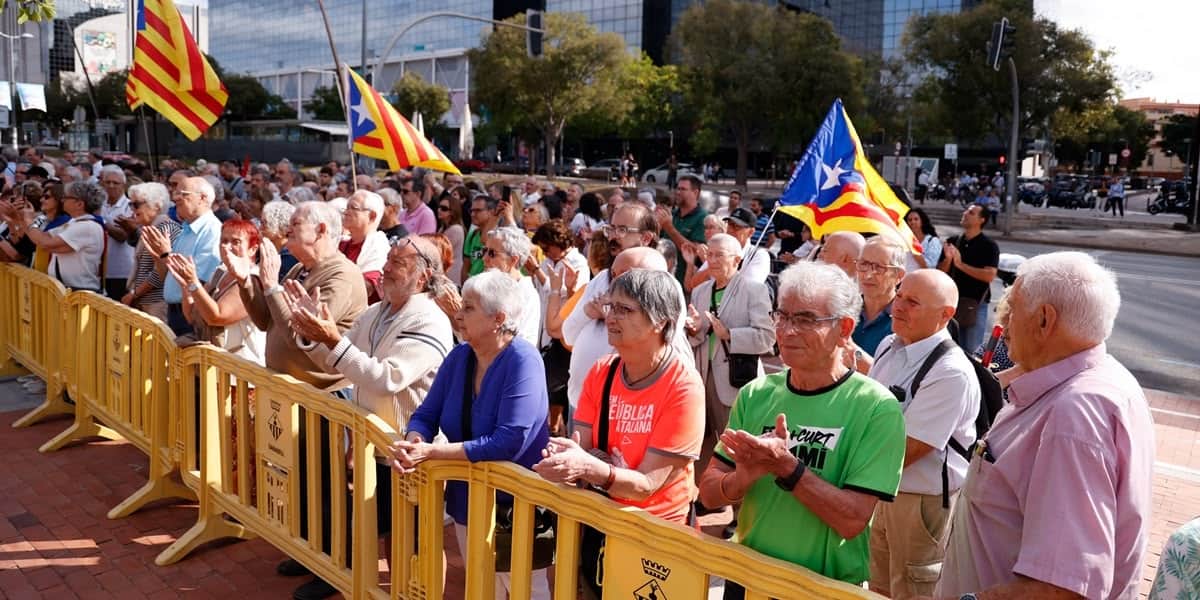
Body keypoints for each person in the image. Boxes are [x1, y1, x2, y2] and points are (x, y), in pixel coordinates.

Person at [936, 251, 1153, 600]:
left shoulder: (1074, 414)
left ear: (1044, 321)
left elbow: (1060, 587)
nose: (1003, 320)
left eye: (1012, 307)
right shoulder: (1098, 380)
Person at [696, 261, 905, 594]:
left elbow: (852, 520)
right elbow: (707, 493)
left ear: (845, 329)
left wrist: (787, 469)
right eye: (783, 316)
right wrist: (742, 478)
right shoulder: (756, 393)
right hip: (746, 578)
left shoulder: (876, 408)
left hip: (820, 588)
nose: (787, 330)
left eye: (806, 319)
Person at [535, 269, 704, 597]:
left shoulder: (683, 386)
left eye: (625, 310)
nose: (610, 317)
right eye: (610, 306)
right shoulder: (602, 371)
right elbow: (580, 446)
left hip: (658, 540)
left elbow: (646, 485)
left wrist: (589, 466)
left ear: (661, 321)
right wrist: (581, 462)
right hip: (601, 524)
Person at [391, 270, 552, 600]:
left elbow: (509, 440)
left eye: (468, 308)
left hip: (515, 505)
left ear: (499, 318)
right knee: (482, 584)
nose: (458, 315)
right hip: (468, 496)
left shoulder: (524, 360)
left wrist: (433, 454)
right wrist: (415, 440)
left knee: (525, 590)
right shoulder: (460, 356)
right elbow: (426, 414)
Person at [865, 269, 981, 600]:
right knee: (877, 585)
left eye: (912, 302)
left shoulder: (950, 371)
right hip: (883, 486)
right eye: (899, 296)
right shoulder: (890, 344)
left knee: (914, 590)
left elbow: (910, 449)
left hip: (920, 501)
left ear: (946, 315)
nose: (897, 306)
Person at [684, 234, 774, 485]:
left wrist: (731, 335)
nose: (711, 260)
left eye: (718, 255)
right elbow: (700, 334)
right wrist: (693, 328)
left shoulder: (753, 290)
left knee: (735, 445)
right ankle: (709, 493)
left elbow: (767, 337)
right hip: (703, 375)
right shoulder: (701, 291)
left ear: (737, 260)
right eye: (709, 254)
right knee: (703, 441)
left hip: (736, 380)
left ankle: (737, 508)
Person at [166, 219, 266, 368]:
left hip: (240, 374)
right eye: (224, 241)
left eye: (236, 242)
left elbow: (217, 317)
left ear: (252, 249)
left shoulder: (253, 279)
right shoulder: (220, 272)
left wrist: (193, 283)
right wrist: (186, 286)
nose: (227, 247)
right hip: (215, 370)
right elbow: (193, 316)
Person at [146, 176, 222, 336]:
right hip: (175, 311)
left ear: (202, 198)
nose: (175, 198)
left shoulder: (212, 231)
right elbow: (167, 276)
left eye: (183, 193)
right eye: (175, 193)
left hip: (191, 312)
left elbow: (198, 281)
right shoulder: (186, 229)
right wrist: (160, 256)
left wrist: (166, 254)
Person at [7, 181, 107, 292]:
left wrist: (29, 220)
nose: (62, 200)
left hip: (80, 291)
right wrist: (22, 218)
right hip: (68, 289)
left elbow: (45, 244)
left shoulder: (86, 226)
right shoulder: (74, 223)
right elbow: (41, 237)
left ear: (79, 204)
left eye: (66, 197)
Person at [939, 204, 999, 353]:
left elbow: (989, 276)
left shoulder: (989, 246)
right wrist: (948, 260)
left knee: (971, 350)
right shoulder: (953, 241)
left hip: (975, 304)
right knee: (947, 348)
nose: (965, 213)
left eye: (971, 213)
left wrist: (960, 264)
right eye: (966, 210)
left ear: (981, 220)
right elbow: (940, 273)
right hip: (951, 303)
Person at [122, 182, 180, 322]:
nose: (133, 209)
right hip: (145, 301)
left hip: (157, 302)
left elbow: (161, 271)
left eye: (137, 205)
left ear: (157, 206)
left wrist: (135, 294)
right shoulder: (150, 228)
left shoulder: (165, 228)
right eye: (131, 204)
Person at [481, 227, 542, 349]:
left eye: (492, 253)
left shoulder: (527, 294)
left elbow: (522, 344)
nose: (485, 258)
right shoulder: (488, 285)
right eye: (484, 251)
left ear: (513, 260)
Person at [852, 236, 907, 359]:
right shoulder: (843, 310)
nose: (868, 275)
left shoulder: (907, 321)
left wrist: (853, 352)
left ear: (899, 275)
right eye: (864, 264)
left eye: (879, 268)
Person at [339, 190, 390, 304]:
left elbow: (367, 288)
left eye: (353, 208)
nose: (346, 212)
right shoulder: (341, 243)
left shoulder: (378, 247)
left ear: (372, 216)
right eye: (346, 208)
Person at [655, 174, 707, 283]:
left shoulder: (703, 218)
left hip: (685, 283)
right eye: (677, 188)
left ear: (695, 192)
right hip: (663, 279)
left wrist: (669, 228)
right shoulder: (672, 215)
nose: (678, 192)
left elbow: (695, 252)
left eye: (683, 189)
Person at [98, 165, 136, 300]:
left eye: (116, 183)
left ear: (123, 185)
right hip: (101, 270)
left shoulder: (130, 206)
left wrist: (102, 222)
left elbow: (123, 236)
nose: (111, 186)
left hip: (122, 270)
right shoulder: (99, 205)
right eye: (107, 182)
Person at [462, 192, 501, 282]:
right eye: (471, 211)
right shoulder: (472, 234)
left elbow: (485, 240)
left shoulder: (499, 236)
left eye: (478, 211)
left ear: (491, 212)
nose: (472, 214)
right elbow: (466, 266)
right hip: (472, 285)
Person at [260, 200, 298, 281]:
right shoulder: (269, 251)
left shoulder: (289, 259)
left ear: (282, 229)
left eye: (264, 224)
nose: (260, 228)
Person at [435, 192, 465, 285]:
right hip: (445, 272)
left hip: (451, 274)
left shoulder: (456, 229)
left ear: (452, 212)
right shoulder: (443, 228)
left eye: (444, 209)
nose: (439, 210)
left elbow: (441, 251)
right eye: (439, 207)